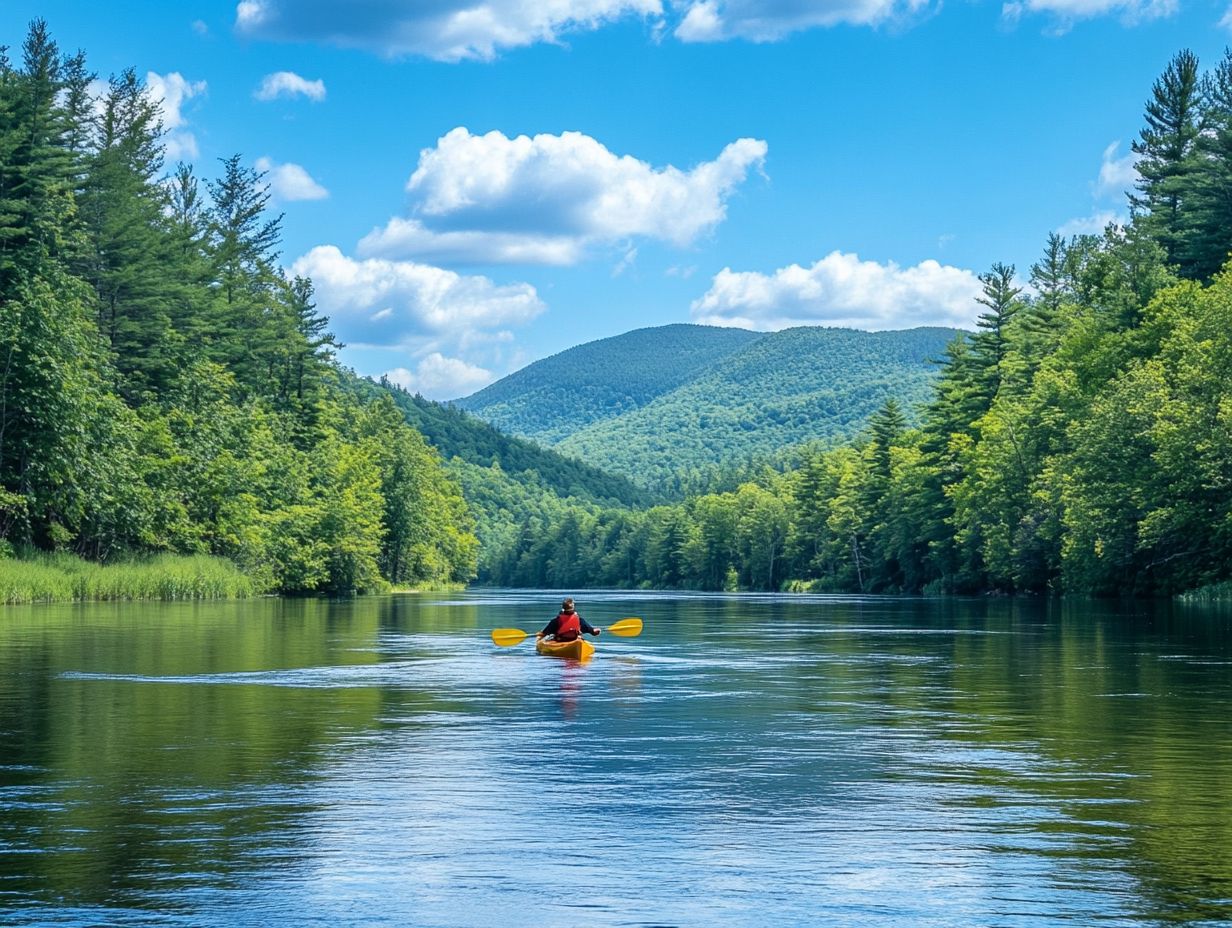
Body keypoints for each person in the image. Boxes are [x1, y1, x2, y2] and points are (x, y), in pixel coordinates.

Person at [537, 598, 601, 643]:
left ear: (563, 608)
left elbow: (543, 634)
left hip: (560, 641)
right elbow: (593, 632)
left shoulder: (556, 621)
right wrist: (596, 630)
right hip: (575, 640)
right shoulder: (580, 620)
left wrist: (539, 635)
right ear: (573, 607)